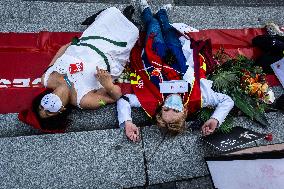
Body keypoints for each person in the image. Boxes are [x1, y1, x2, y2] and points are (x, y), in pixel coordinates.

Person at [116, 1, 234, 142]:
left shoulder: (154, 100)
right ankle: (162, 14)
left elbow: (125, 100)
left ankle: (145, 10)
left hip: (155, 59)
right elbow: (227, 101)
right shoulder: (199, 98)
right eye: (176, 110)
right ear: (184, 111)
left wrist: (127, 122)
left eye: (166, 109)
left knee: (153, 26)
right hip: (178, 58)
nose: (171, 105)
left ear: (161, 109)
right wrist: (215, 119)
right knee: (169, 32)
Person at [19, 7, 139, 132]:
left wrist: (73, 45)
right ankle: (127, 19)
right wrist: (108, 85)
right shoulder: (84, 101)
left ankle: (117, 16)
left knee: (110, 14)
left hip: (88, 41)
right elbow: (116, 96)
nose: (46, 106)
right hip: (110, 53)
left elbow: (58, 56)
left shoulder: (47, 79)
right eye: (48, 112)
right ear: (61, 112)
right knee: (132, 29)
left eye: (40, 108)